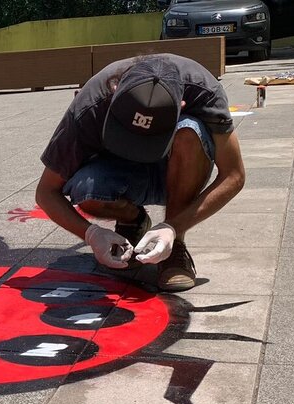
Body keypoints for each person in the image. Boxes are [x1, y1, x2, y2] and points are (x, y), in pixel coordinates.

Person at [35, 53, 246, 292]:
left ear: (181, 105)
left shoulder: (204, 91)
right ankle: (132, 220)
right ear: (114, 91)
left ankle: (174, 247)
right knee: (85, 186)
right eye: (127, 134)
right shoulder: (91, 104)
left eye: (149, 139)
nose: (138, 148)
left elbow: (234, 175)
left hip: (180, 172)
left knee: (189, 133)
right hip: (119, 174)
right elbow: (46, 192)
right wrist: (91, 234)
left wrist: (173, 228)